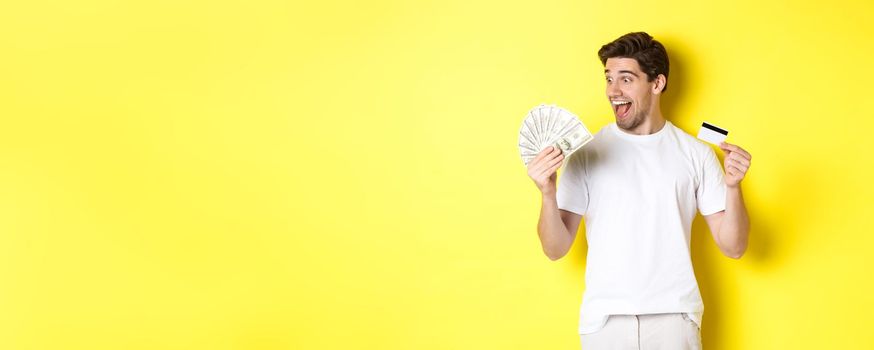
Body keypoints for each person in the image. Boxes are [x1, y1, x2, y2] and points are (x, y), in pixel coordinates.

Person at [525, 32, 752, 349]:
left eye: (626, 79)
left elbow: (734, 246)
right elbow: (555, 248)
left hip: (675, 318)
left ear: (657, 83)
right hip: (605, 322)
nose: (613, 91)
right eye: (608, 79)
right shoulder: (586, 153)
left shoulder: (695, 154)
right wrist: (547, 192)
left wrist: (733, 188)